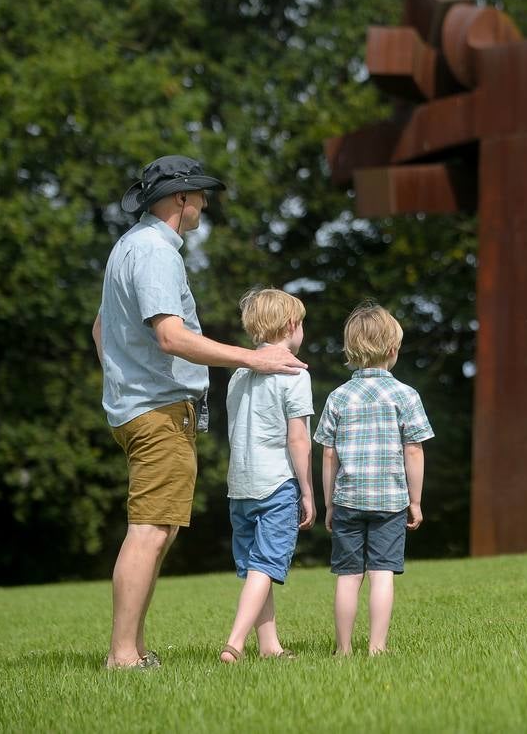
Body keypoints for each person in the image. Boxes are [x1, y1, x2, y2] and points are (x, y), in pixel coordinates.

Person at [92, 154, 307, 670]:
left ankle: (135, 650)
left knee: (157, 527)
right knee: (150, 529)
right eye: (201, 195)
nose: (206, 204)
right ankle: (123, 655)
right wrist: (253, 357)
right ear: (180, 199)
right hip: (158, 411)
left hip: (137, 406)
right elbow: (170, 336)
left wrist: (121, 382)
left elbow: (102, 330)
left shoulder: (127, 248)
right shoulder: (156, 253)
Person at [314, 302, 433, 656]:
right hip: (391, 501)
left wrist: (329, 503)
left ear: (351, 351)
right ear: (393, 349)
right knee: (382, 574)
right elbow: (414, 451)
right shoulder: (405, 395)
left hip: (348, 500)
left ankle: (343, 649)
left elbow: (328, 454)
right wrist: (415, 500)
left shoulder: (338, 397)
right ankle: (377, 648)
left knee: (348, 577)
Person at [219, 287, 315, 663]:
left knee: (256, 568)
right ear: (292, 326)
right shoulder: (294, 371)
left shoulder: (240, 373)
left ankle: (269, 645)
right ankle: (235, 644)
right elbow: (298, 438)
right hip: (276, 483)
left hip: (239, 485)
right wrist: (307, 490)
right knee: (265, 565)